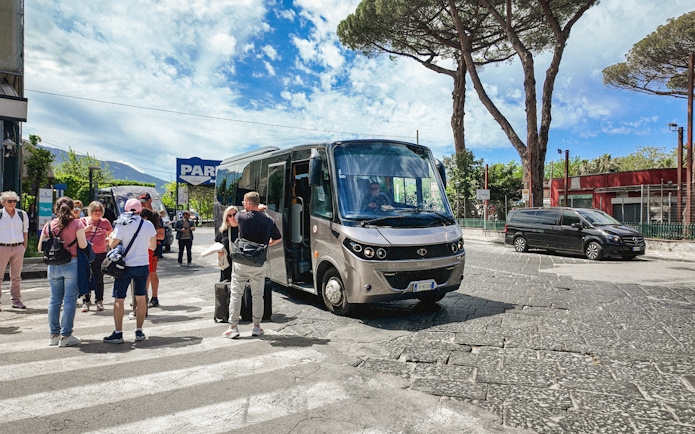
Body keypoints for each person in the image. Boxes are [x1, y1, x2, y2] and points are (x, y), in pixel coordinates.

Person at [222, 192, 281, 339]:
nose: (243, 204)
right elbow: (278, 238)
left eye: (244, 202)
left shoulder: (241, 217)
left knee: (236, 294)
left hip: (241, 262)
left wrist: (255, 208)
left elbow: (240, 213)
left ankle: (233, 327)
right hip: (258, 262)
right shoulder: (269, 220)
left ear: (248, 204)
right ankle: (256, 326)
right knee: (257, 295)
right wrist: (267, 244)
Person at [103, 198, 157, 344]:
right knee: (141, 298)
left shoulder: (122, 224)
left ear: (126, 210)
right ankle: (139, 331)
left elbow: (113, 244)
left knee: (119, 299)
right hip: (142, 264)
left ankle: (118, 333)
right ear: (140, 210)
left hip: (124, 266)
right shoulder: (148, 224)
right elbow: (152, 246)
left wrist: (109, 238)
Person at [38, 196, 87, 347]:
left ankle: (54, 335)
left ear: (56, 209)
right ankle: (66, 336)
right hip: (71, 262)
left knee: (54, 300)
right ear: (72, 209)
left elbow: (40, 248)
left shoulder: (48, 225)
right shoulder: (77, 223)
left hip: (53, 265)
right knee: (69, 300)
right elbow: (83, 245)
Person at [80, 201, 113, 312]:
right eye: (95, 210)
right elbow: (76, 235)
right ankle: (86, 301)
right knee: (85, 277)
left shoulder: (105, 222)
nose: (97, 212)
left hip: (100, 253)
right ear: (90, 211)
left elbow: (111, 234)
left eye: (99, 210)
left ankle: (99, 301)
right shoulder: (82, 221)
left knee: (98, 277)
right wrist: (85, 230)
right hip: (86, 253)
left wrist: (109, 240)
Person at [0, 191, 29, 311]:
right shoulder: (0, 215)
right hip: (2, 247)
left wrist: (23, 247)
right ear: (3, 202)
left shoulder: (22, 214)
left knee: (16, 276)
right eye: (9, 201)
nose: (12, 203)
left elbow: (25, 231)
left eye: (14, 201)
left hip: (18, 247)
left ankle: (16, 300)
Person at [139, 192, 164, 308]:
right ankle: (142, 297)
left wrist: (148, 236)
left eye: (144, 201)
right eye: (140, 201)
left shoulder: (155, 215)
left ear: (150, 201)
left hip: (153, 247)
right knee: (144, 273)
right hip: (141, 247)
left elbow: (161, 235)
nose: (142, 204)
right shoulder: (138, 214)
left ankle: (154, 297)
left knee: (151, 273)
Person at [215, 206, 239, 282]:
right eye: (229, 215)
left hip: (241, 262)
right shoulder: (223, 230)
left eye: (235, 214)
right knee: (225, 285)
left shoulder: (244, 229)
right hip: (227, 262)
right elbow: (217, 242)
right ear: (226, 218)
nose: (233, 217)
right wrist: (219, 251)